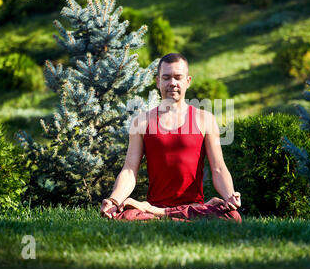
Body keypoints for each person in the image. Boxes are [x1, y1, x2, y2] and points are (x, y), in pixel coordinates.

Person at [100, 53, 242, 222]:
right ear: (158, 81)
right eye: (166, 78)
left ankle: (167, 218)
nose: (172, 83)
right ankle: (167, 217)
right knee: (124, 216)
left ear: (188, 81)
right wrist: (114, 200)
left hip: (193, 208)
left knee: (232, 217)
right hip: (154, 207)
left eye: (178, 77)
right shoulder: (141, 122)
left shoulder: (205, 119)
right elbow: (130, 170)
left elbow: (218, 168)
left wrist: (230, 196)